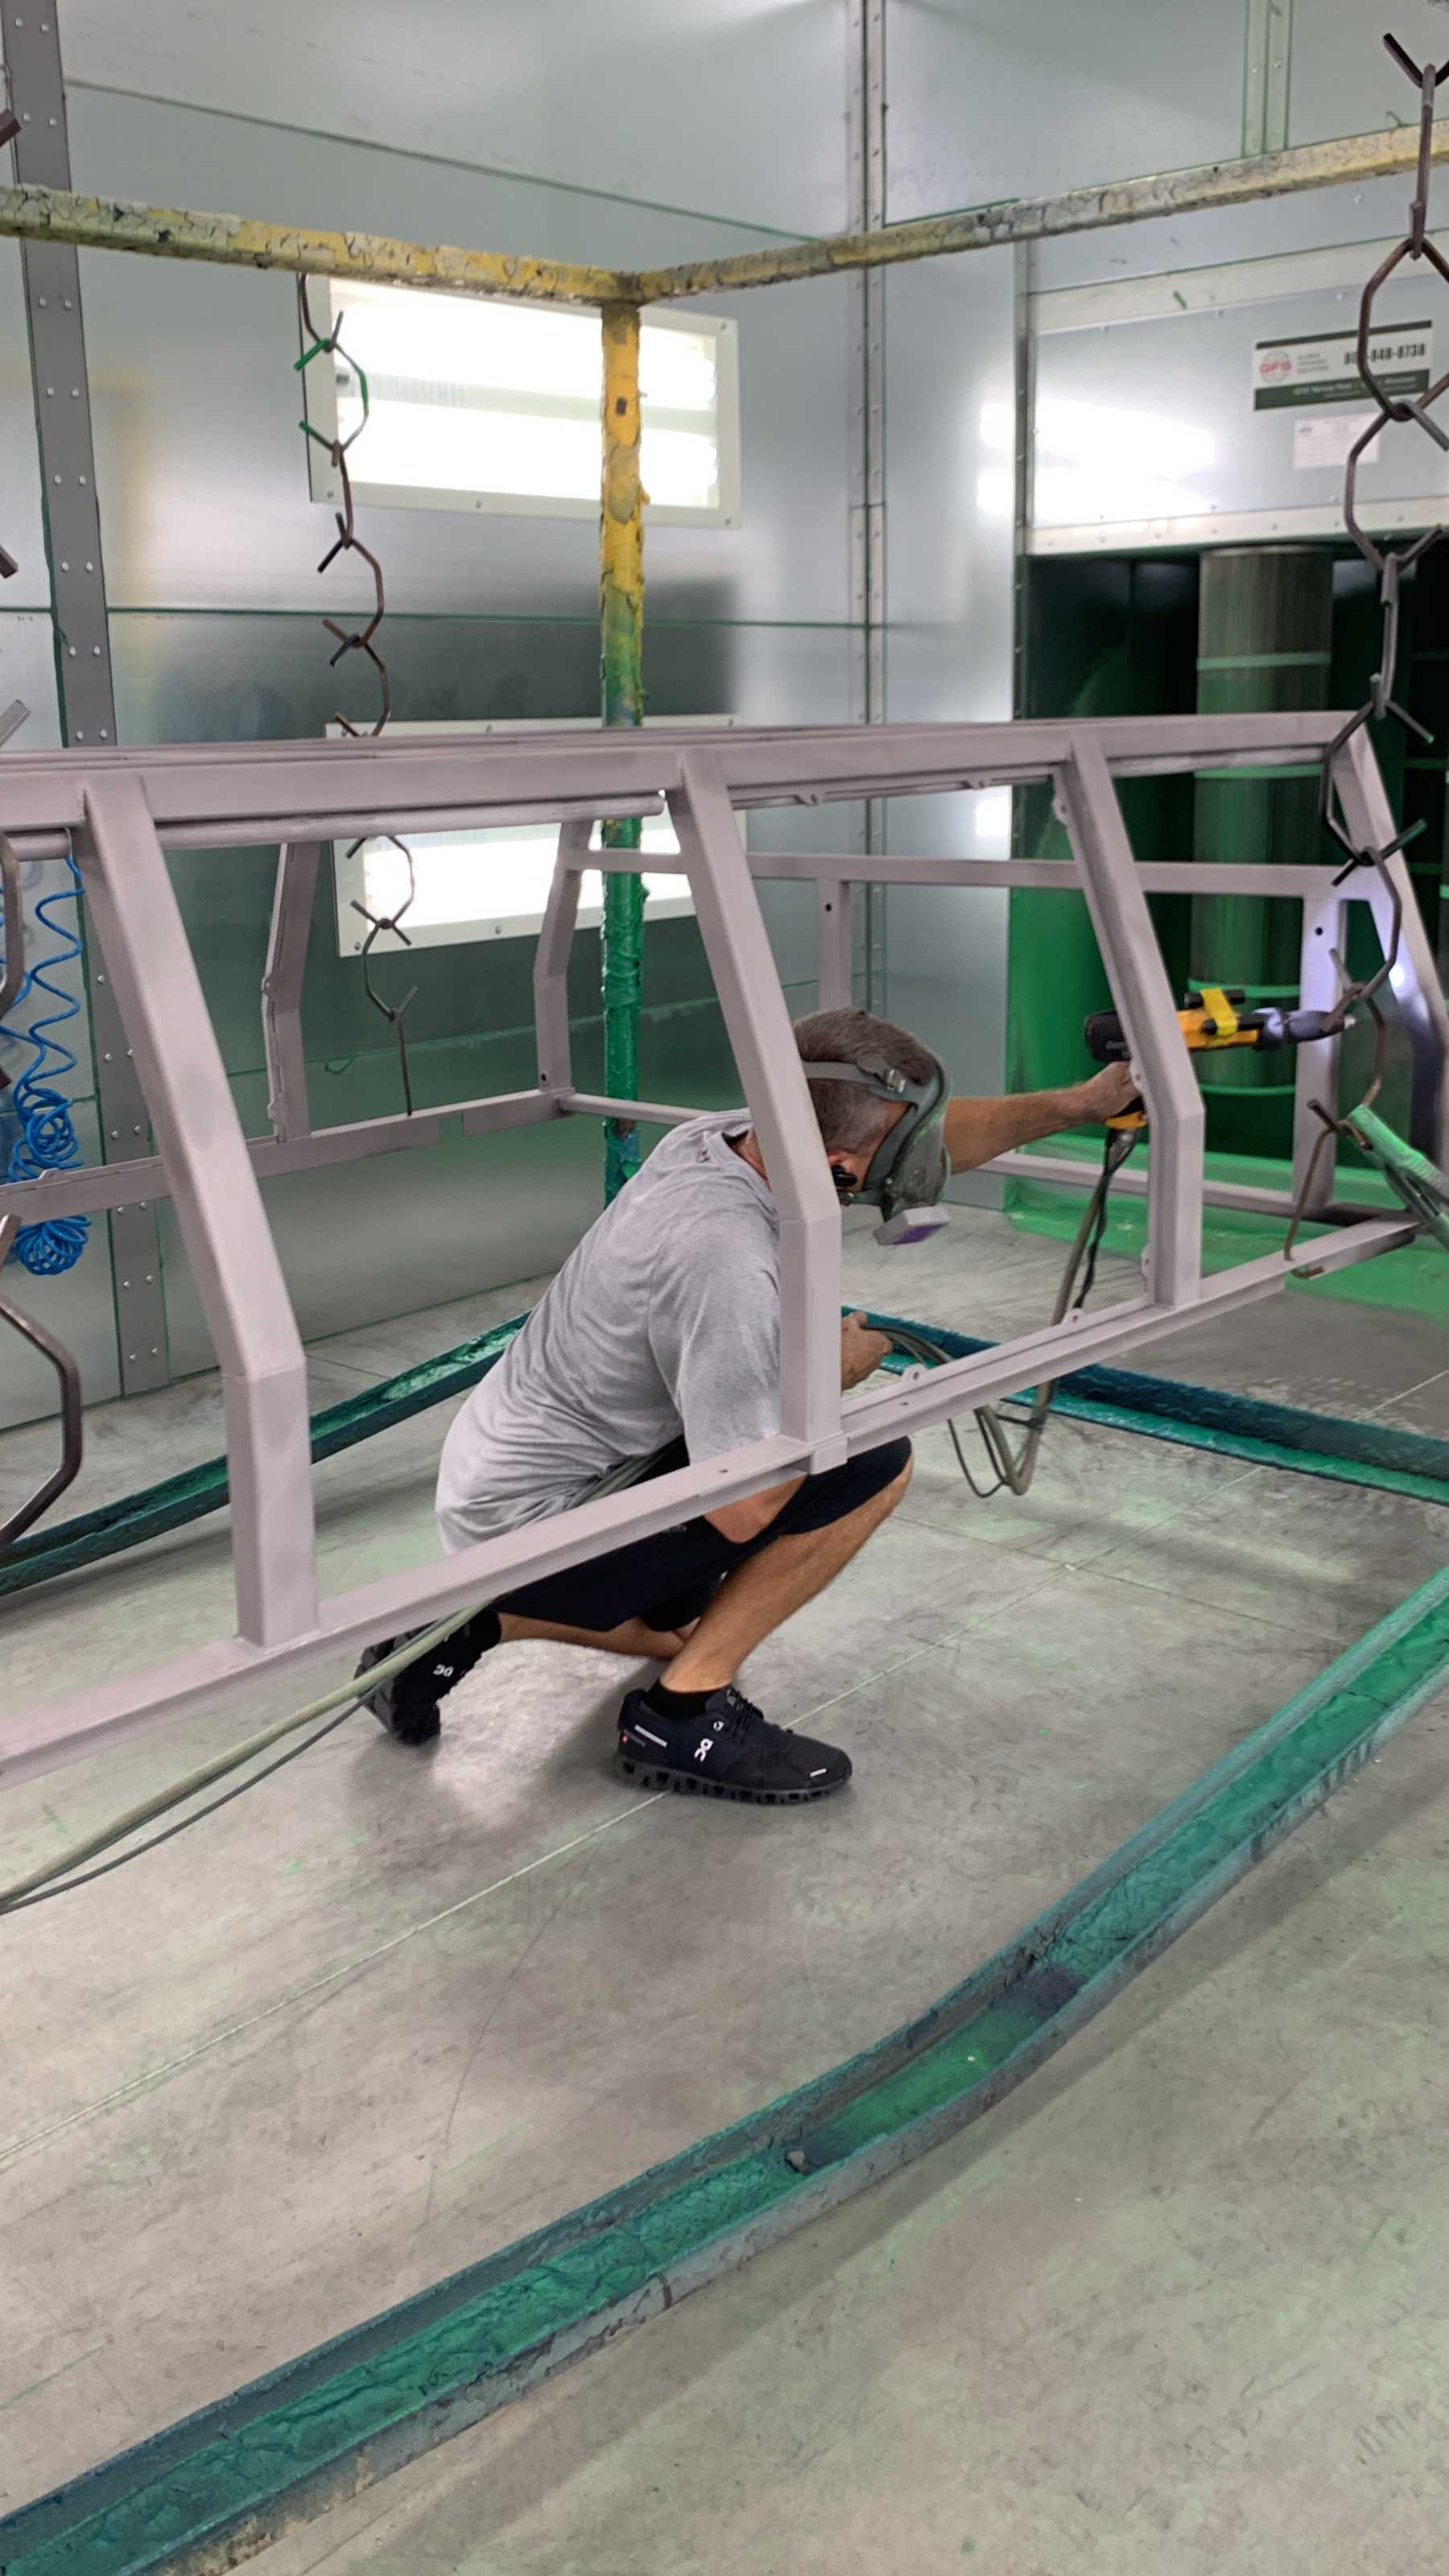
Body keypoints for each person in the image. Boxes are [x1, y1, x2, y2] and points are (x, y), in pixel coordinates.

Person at [358, 1010, 1137, 1802]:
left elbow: (935, 1135)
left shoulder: (731, 1140)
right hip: (539, 1517)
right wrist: (824, 1374)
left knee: (680, 1620)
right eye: (901, 1153)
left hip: (521, 1474)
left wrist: (1081, 1102)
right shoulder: (720, 1255)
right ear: (838, 1164)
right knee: (868, 1459)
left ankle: (460, 1625)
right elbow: (741, 1504)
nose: (924, 1160)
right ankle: (682, 1712)